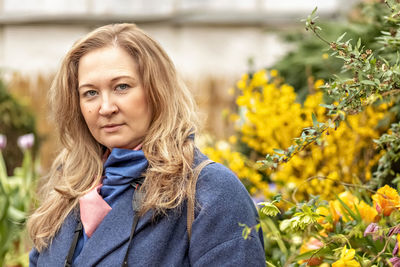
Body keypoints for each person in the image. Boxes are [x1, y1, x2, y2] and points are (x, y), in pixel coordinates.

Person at [28, 23, 265, 266]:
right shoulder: (67, 191)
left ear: (157, 91)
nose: (106, 107)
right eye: (90, 93)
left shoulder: (208, 191)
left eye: (122, 87)